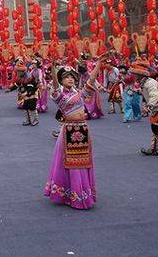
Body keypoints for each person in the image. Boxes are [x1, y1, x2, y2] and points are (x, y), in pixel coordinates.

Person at [44, 57, 103, 210]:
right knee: (71, 163)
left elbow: (91, 80)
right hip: (68, 130)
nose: (70, 79)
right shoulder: (59, 96)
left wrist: (98, 64)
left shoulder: (80, 93)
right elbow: (55, 87)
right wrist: (53, 70)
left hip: (82, 130)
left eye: (72, 77)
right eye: (66, 77)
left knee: (83, 162)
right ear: (61, 80)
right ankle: (72, 194)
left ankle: (82, 192)